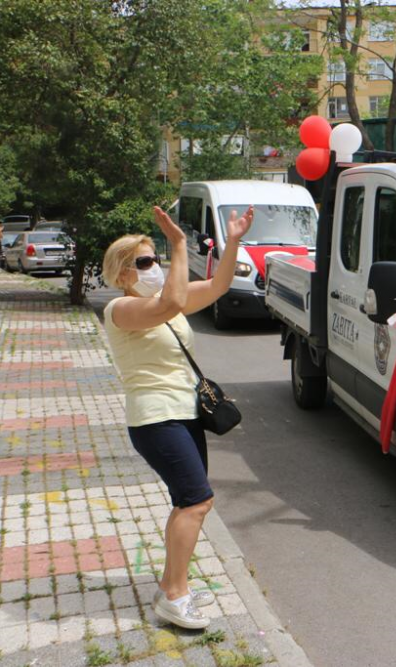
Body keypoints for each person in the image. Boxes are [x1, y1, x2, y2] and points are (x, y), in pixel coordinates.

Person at [101, 204, 253, 629]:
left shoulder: (162, 304)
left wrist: (235, 239)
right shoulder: (121, 310)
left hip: (184, 414)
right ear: (123, 272)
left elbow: (220, 285)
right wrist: (181, 243)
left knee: (187, 502)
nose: (155, 267)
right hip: (154, 419)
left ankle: (172, 583)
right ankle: (175, 596)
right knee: (197, 501)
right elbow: (172, 299)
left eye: (157, 259)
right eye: (145, 261)